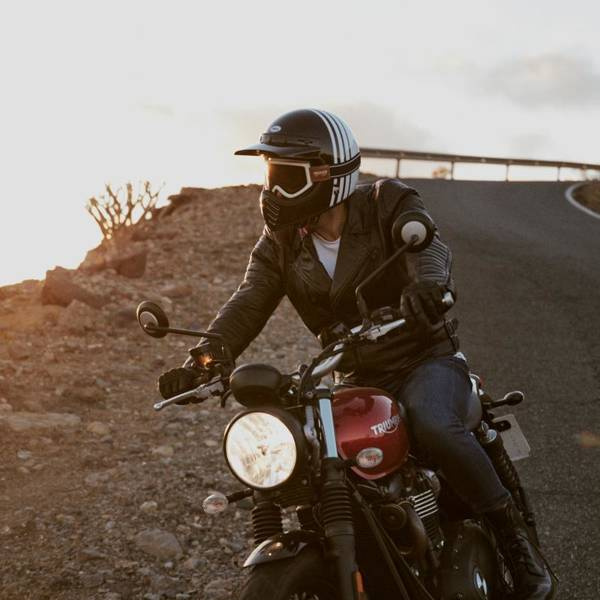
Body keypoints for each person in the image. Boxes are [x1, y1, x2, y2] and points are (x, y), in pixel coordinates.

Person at [158, 109, 555, 599]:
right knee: (305, 455)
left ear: (328, 174)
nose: (274, 189)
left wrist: (429, 288)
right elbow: (249, 298)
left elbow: (428, 246)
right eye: (270, 174)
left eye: (286, 176)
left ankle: (516, 544)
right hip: (355, 374)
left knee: (431, 420)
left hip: (425, 359)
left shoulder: (387, 202)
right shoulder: (280, 242)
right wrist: (205, 358)